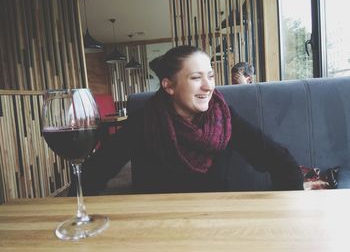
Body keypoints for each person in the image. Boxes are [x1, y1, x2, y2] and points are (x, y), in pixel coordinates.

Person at [73, 45, 303, 195]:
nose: (208, 86)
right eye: (196, 77)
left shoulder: (223, 118)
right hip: (161, 229)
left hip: (215, 225)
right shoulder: (145, 120)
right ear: (169, 86)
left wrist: (285, 218)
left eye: (210, 76)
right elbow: (95, 171)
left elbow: (282, 163)